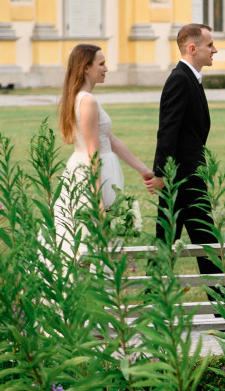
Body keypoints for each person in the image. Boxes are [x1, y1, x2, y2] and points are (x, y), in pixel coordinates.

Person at [55, 44, 158, 245]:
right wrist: (98, 199)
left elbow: (110, 139)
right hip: (95, 171)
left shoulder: (79, 98)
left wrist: (143, 169)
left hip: (87, 165)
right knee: (97, 236)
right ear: (86, 67)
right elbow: (94, 152)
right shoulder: (87, 101)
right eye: (101, 64)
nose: (106, 68)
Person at [153, 23, 219, 266]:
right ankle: (222, 300)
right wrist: (162, 175)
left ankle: (221, 300)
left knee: (197, 241)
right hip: (180, 180)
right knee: (187, 241)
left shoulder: (191, 78)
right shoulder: (180, 79)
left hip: (189, 176)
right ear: (193, 48)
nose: (215, 50)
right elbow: (167, 131)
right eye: (210, 45)